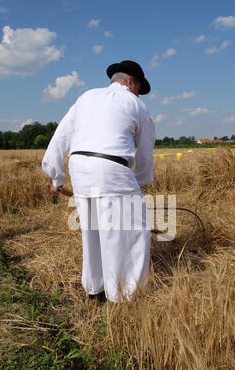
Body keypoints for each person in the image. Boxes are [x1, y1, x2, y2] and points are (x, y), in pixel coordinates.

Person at [42, 60, 155, 303]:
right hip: (112, 168)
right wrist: (140, 181)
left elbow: (60, 135)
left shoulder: (85, 97)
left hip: (79, 167)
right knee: (133, 231)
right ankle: (125, 297)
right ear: (129, 82)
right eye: (138, 87)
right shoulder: (137, 104)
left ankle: (95, 290)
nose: (138, 92)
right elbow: (145, 152)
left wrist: (56, 176)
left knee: (92, 231)